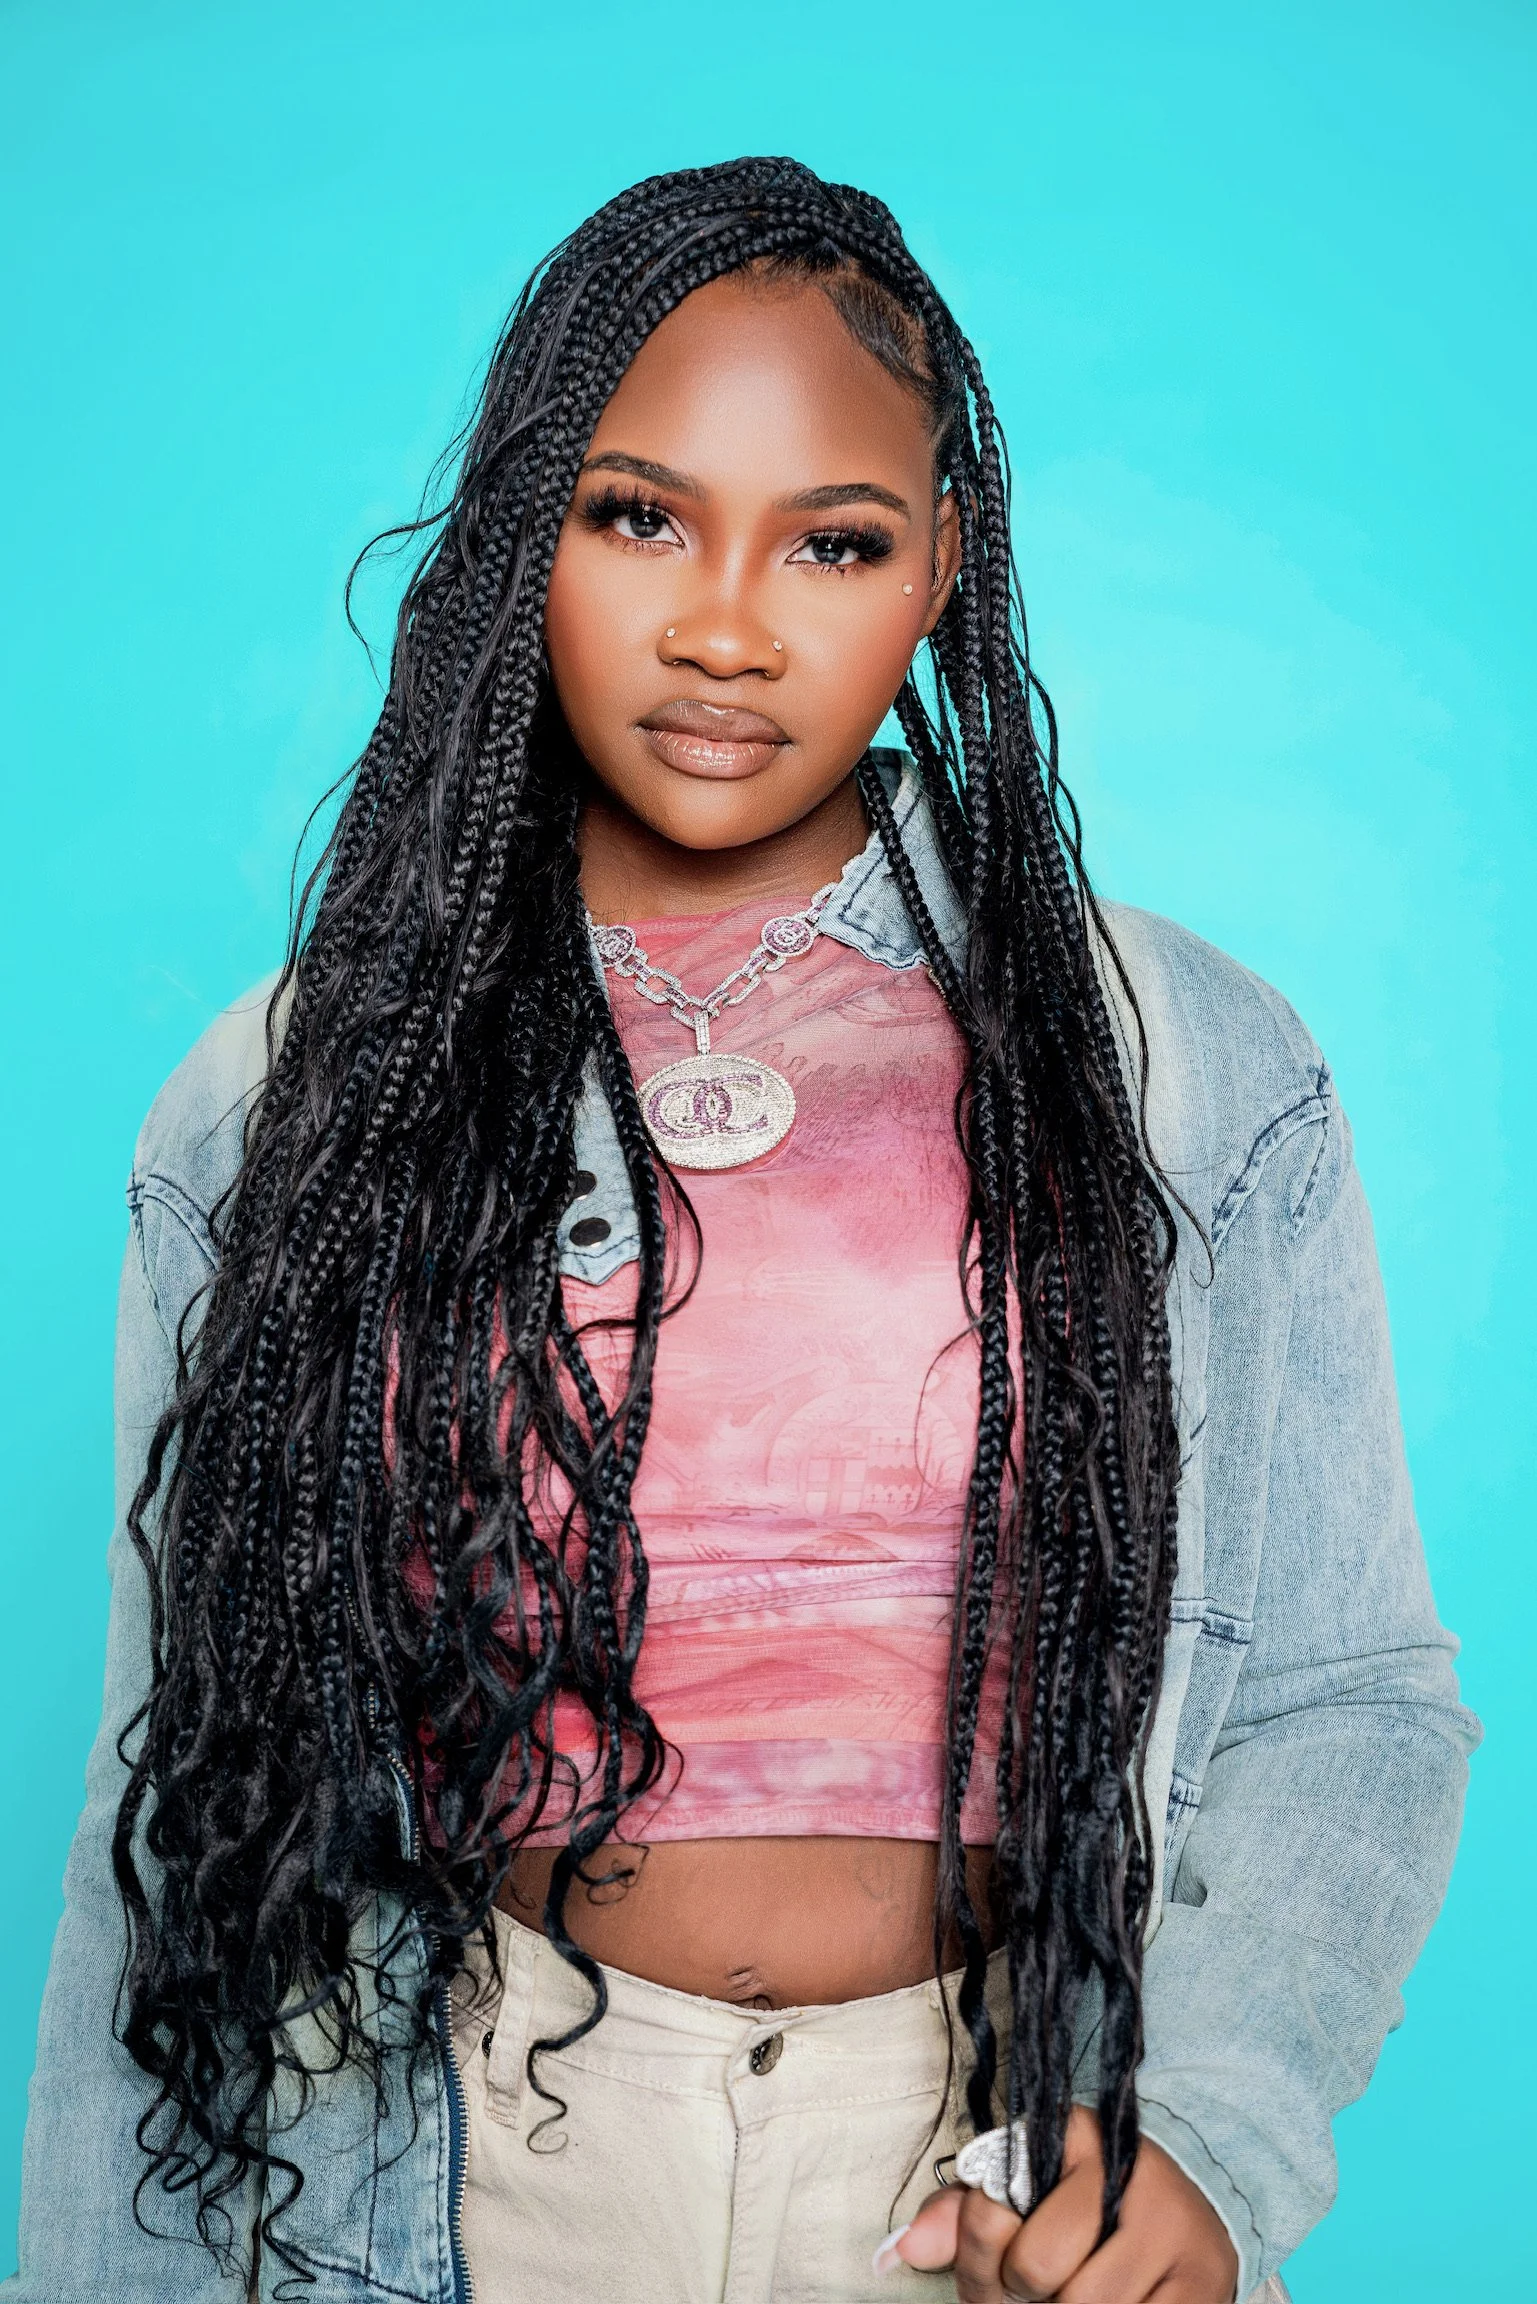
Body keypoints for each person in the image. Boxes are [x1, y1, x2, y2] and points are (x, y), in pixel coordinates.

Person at [6, 157, 1477, 2304]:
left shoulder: (1177, 1064)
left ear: (940, 566)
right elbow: (181, 1809)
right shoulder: (291, 1095)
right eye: (638, 516)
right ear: (528, 530)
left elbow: (1347, 1695)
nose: (726, 623)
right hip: (467, 2177)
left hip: (982, 2173)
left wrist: (1211, 2142)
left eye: (837, 542)